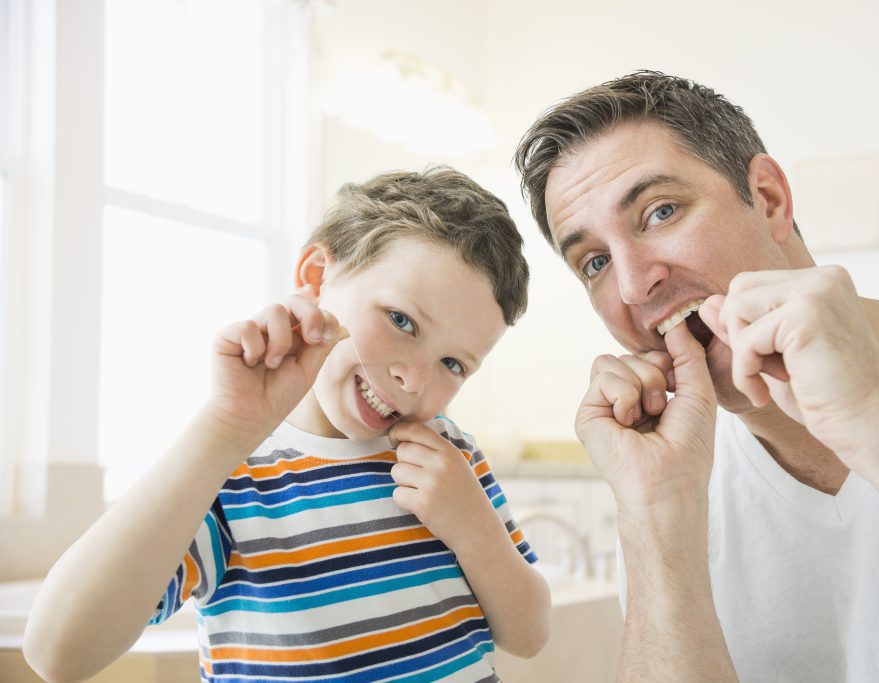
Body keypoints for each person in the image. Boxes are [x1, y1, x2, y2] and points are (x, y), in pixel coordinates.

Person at [514, 71, 879, 681]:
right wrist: (655, 519)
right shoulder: (669, 481)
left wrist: (877, 423)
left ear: (770, 199)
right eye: (593, 261)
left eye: (660, 212)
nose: (631, 284)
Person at [24, 167, 551, 683]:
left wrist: (474, 529)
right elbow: (58, 654)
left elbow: (528, 636)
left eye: (453, 364)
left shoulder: (449, 454)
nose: (413, 380)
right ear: (317, 277)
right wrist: (224, 429)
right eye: (401, 321)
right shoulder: (233, 475)